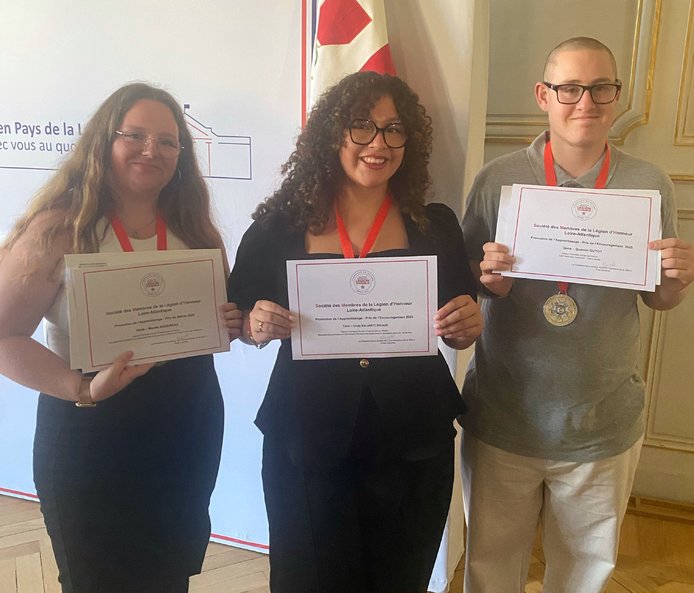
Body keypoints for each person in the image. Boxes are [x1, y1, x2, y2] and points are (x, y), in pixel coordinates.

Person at [227, 71, 483, 593]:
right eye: (361, 127)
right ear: (332, 135)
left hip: (414, 437)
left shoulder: (435, 225)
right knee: (306, 579)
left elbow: (458, 323)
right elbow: (236, 318)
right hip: (306, 435)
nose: (378, 144)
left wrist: (465, 326)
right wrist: (254, 325)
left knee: (401, 578)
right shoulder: (279, 227)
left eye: (394, 129)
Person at [460, 37, 694, 593]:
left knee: (585, 572)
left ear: (617, 96)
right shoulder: (498, 179)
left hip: (601, 421)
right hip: (505, 415)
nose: (585, 102)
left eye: (600, 88)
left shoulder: (649, 183)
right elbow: (464, 284)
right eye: (569, 88)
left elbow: (658, 299)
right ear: (544, 95)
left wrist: (676, 280)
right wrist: (486, 282)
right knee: (490, 566)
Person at [0, 82, 243, 593]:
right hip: (91, 426)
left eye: (168, 141)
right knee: (97, 578)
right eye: (134, 135)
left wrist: (235, 323)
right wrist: (80, 388)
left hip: (186, 423)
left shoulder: (196, 230)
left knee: (170, 575)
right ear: (103, 141)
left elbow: (219, 320)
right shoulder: (58, 230)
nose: (151, 150)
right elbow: (3, 335)